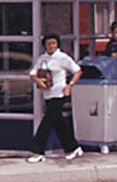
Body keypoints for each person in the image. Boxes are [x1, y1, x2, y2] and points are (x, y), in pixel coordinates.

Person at [27, 34, 84, 163]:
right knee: (59, 123)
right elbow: (32, 73)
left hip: (60, 93)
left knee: (46, 123)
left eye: (53, 43)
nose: (51, 46)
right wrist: (38, 80)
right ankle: (72, 147)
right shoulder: (42, 58)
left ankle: (38, 151)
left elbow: (77, 71)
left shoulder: (63, 57)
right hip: (48, 93)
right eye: (48, 43)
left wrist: (70, 86)